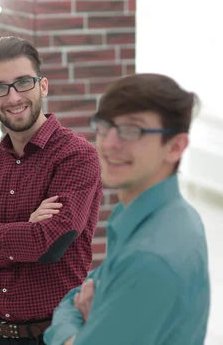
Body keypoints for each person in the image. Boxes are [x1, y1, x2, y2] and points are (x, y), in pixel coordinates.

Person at [0, 37, 103, 345]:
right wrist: (24, 238)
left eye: (23, 82)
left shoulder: (76, 156)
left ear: (42, 86)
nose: (13, 96)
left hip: (56, 333)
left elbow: (48, 245)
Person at [44, 74, 210, 345]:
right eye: (105, 126)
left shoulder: (151, 257)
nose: (108, 143)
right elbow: (76, 297)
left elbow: (72, 308)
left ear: (176, 146)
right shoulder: (170, 215)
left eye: (132, 131)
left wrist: (71, 335)